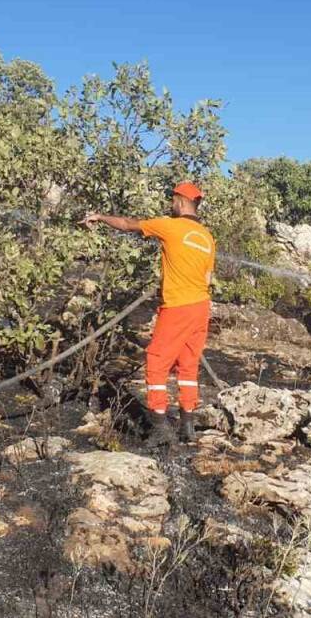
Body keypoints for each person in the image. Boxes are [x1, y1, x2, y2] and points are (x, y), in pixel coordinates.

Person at [83, 182, 216, 446]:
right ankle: (187, 426)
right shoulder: (207, 237)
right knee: (188, 366)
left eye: (173, 200)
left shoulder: (170, 225)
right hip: (201, 307)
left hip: (178, 306)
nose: (171, 204)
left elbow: (127, 223)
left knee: (156, 362)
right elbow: (208, 276)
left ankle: (159, 426)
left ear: (180, 201)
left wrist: (100, 217)